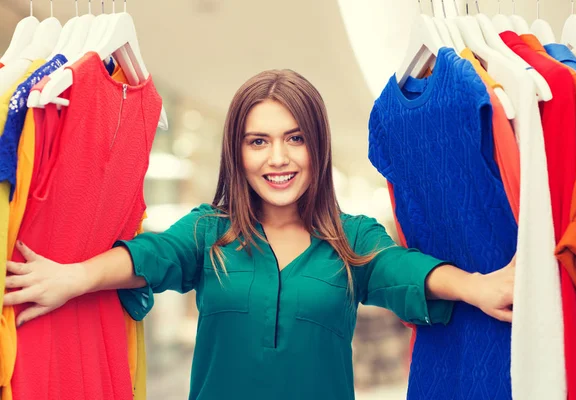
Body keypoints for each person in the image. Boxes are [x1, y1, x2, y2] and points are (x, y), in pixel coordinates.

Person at [4, 69, 515, 400]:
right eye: (259, 141)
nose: (278, 158)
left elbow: (404, 269)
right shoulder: (210, 232)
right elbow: (149, 256)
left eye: (295, 139)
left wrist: (478, 286)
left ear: (318, 147)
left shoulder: (350, 238)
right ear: (237, 151)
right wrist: (73, 277)